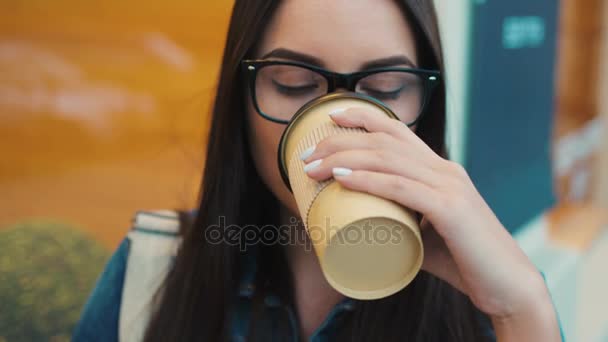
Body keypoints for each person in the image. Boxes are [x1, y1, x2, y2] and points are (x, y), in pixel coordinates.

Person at [73, 0, 564, 341]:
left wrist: (522, 308)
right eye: (293, 83)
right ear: (240, 99)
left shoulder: (484, 303)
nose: (340, 119)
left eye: (386, 88)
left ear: (424, 106)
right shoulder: (150, 273)